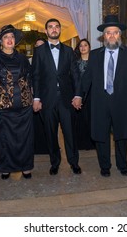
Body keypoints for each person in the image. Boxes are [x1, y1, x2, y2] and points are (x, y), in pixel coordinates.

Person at [81, 14, 127, 177]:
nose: (112, 35)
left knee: (122, 136)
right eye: (109, 32)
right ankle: (105, 166)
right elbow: (86, 79)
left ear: (120, 35)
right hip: (100, 102)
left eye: (115, 32)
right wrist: (79, 95)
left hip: (122, 102)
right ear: (104, 36)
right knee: (101, 136)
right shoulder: (94, 55)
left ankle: (122, 165)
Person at [0, 24, 34, 180]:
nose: (9, 40)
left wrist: (34, 99)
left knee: (24, 138)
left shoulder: (23, 59)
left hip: (24, 106)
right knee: (2, 139)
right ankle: (5, 168)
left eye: (11, 37)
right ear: (1, 41)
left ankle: (25, 167)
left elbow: (30, 81)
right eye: (6, 37)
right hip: (1, 107)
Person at [32, 18, 82, 176]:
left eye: (56, 27)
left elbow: (76, 76)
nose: (54, 29)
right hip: (47, 100)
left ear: (60, 30)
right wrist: (36, 99)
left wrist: (78, 95)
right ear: (46, 31)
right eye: (50, 27)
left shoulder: (69, 51)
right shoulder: (39, 52)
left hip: (66, 99)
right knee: (50, 133)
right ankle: (55, 162)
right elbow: (36, 76)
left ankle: (74, 162)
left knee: (70, 133)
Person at [73, 39, 95, 150]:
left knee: (92, 119)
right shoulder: (75, 63)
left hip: (93, 94)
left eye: (85, 45)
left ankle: (93, 144)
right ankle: (81, 144)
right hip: (79, 94)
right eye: (81, 46)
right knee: (80, 119)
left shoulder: (95, 61)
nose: (83, 47)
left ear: (89, 47)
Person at [32, 37, 48, 155]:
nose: (39, 48)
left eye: (41, 45)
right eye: (37, 46)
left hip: (47, 96)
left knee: (48, 124)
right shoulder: (31, 61)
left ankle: (49, 147)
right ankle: (36, 147)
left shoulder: (50, 60)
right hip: (34, 96)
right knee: (35, 123)